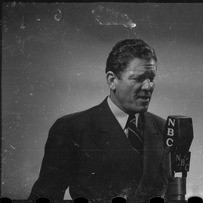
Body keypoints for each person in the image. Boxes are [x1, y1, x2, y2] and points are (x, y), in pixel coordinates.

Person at [28, 39, 170, 202]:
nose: (148, 86)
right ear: (111, 80)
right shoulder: (72, 128)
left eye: (151, 78)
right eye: (138, 78)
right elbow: (45, 197)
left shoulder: (164, 128)